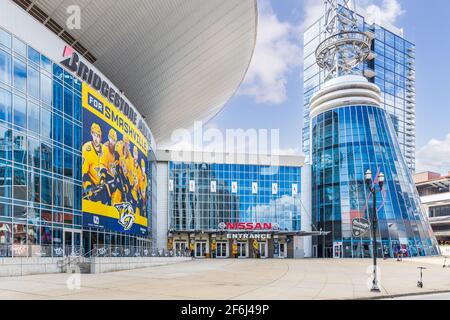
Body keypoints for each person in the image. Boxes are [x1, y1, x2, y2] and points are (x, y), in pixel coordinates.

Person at [82, 123, 108, 203]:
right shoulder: (86, 148)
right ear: (91, 133)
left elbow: (104, 166)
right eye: (94, 135)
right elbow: (84, 173)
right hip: (92, 187)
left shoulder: (104, 149)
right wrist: (89, 188)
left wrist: (103, 177)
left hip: (101, 186)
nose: (96, 139)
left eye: (98, 136)